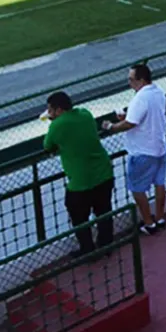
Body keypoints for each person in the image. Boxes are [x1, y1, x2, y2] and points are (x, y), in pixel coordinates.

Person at [44, 91, 116, 256]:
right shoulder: (85, 113)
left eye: (50, 110)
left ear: (58, 110)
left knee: (79, 217)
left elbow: (47, 146)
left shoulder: (57, 125)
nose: (49, 114)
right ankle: (106, 247)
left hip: (81, 181)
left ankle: (87, 249)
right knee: (104, 212)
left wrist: (53, 124)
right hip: (103, 173)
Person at [102, 63, 166, 235]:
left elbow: (131, 123)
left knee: (137, 189)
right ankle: (160, 218)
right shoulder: (158, 92)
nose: (129, 82)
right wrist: (127, 116)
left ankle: (148, 223)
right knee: (160, 183)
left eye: (131, 79)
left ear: (140, 80)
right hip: (160, 148)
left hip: (142, 151)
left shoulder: (140, 98)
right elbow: (143, 117)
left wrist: (112, 126)